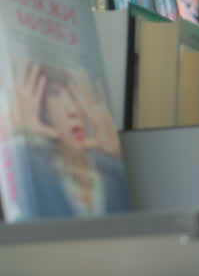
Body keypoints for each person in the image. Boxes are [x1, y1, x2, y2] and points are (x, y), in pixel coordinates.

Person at [0, 60, 128, 220]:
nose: (72, 110)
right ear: (42, 111)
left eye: (75, 96)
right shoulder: (28, 169)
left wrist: (116, 151)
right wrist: (12, 128)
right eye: (56, 95)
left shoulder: (114, 171)